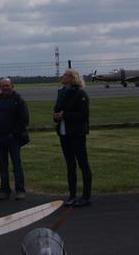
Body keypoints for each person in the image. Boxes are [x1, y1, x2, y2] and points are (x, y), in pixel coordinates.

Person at [54, 69, 92, 207]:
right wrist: (56, 116)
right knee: (70, 165)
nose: (62, 76)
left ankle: (86, 196)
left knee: (83, 164)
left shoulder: (80, 94)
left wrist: (65, 115)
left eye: (65, 75)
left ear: (72, 78)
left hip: (77, 133)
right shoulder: (61, 92)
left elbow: (83, 114)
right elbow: (57, 109)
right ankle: (72, 195)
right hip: (64, 133)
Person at [0, 78, 29, 201]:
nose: (5, 87)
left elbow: (24, 119)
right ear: (0, 87)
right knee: (2, 166)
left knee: (17, 165)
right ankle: (5, 190)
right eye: (3, 86)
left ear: (12, 86)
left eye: (7, 85)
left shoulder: (19, 101)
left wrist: (14, 133)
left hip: (13, 138)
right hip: (0, 138)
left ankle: (20, 190)